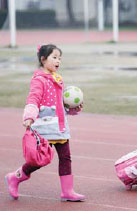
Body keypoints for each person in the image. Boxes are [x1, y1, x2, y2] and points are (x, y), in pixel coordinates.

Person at [5, 44, 86, 202]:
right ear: (43, 59)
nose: (58, 61)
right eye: (54, 57)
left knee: (65, 158)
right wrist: (29, 116)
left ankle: (67, 191)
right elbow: (33, 99)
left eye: (60, 58)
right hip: (44, 128)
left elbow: (59, 106)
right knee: (38, 161)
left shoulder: (58, 79)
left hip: (60, 127)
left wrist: (73, 109)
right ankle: (14, 177)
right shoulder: (39, 80)